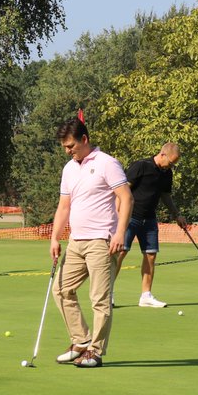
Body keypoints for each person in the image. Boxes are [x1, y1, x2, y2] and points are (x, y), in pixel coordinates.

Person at [49, 118, 132, 368]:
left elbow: (126, 198)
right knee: (61, 290)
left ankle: (95, 352)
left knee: (99, 299)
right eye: (65, 147)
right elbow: (64, 206)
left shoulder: (107, 163)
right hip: (76, 241)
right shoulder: (69, 168)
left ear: (85, 140)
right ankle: (81, 341)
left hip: (102, 240)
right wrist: (55, 237)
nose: (68, 151)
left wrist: (120, 233)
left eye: (71, 146)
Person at [115, 142, 189, 307]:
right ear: (162, 155)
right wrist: (117, 216)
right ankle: (107, 293)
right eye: (170, 163)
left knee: (150, 255)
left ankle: (146, 296)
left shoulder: (166, 173)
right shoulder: (141, 166)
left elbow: (166, 196)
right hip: (130, 217)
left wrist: (177, 214)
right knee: (120, 252)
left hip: (149, 219)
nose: (170, 167)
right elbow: (122, 192)